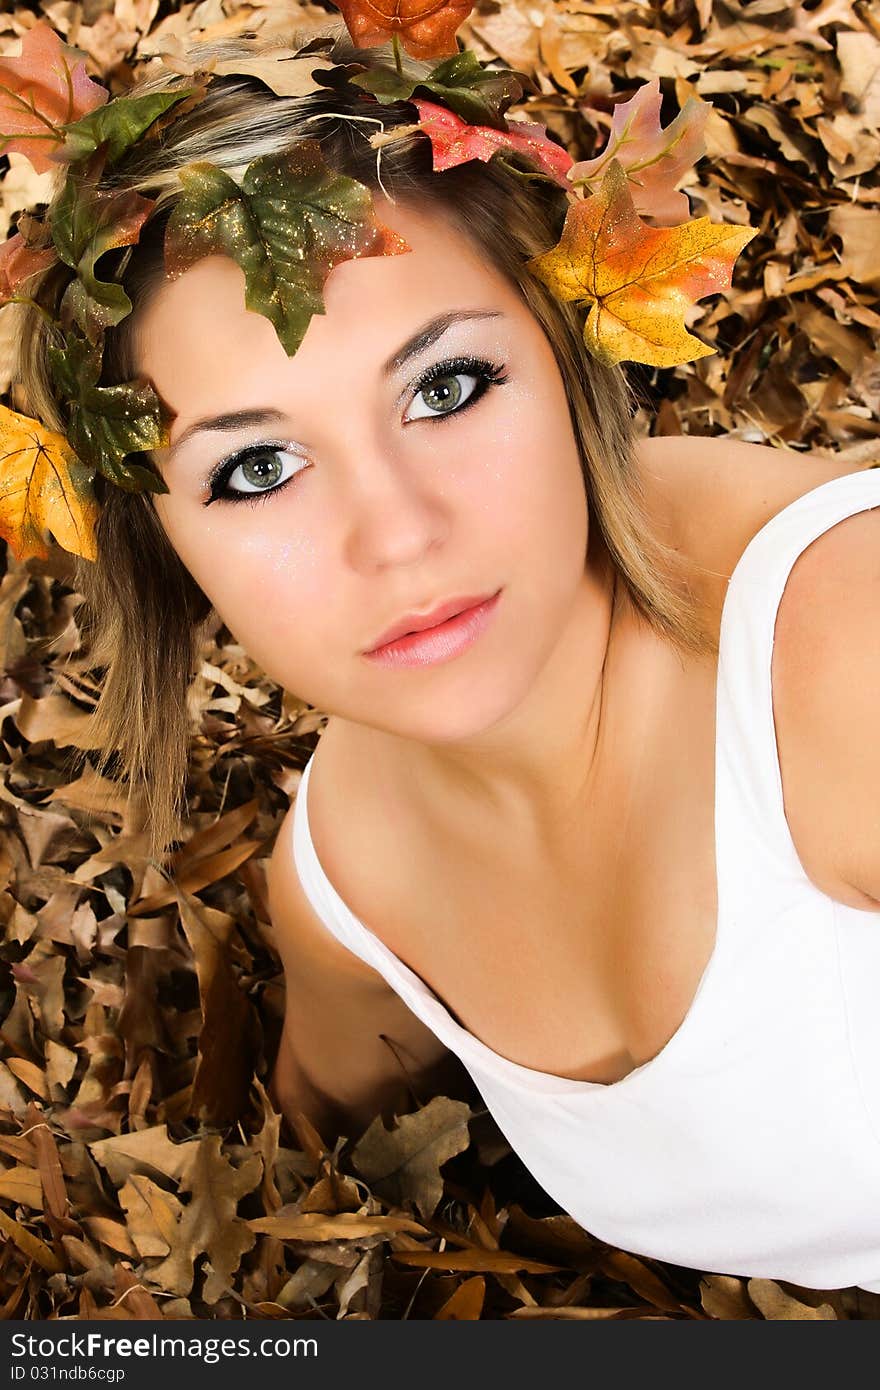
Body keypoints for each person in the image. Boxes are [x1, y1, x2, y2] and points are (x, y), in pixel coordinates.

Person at [4, 14, 880, 1295]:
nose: (399, 535)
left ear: (570, 354)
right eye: (256, 468)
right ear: (161, 550)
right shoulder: (346, 895)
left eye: (448, 387)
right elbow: (302, 1149)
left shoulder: (845, 660)